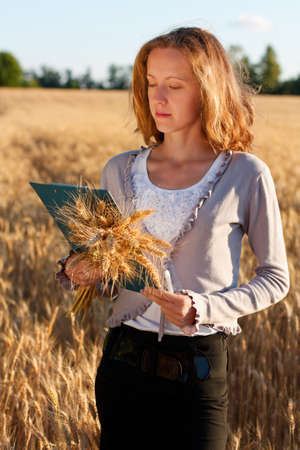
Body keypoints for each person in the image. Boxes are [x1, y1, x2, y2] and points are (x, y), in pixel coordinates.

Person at [55, 27, 290, 450]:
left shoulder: (245, 173)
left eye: (174, 86)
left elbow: (276, 278)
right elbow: (113, 268)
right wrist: (81, 268)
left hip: (198, 368)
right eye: (150, 84)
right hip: (122, 364)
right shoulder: (119, 170)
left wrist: (204, 307)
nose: (157, 98)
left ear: (207, 91)